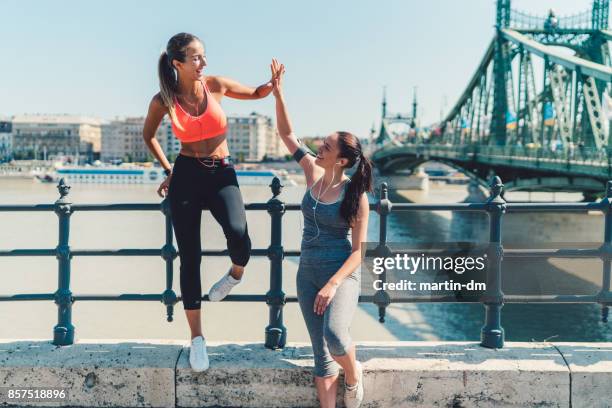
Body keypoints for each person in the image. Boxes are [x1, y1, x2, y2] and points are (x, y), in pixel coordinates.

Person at [142, 32, 277, 372]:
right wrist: (169, 169)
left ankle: (234, 274)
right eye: (197, 58)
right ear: (178, 64)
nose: (204, 63)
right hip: (186, 174)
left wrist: (271, 85)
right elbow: (149, 135)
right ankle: (197, 339)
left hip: (221, 172)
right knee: (190, 257)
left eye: (203, 56)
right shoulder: (164, 100)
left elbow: (255, 93)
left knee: (238, 233)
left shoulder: (215, 85)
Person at [270, 59, 372, 408]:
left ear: (341, 161)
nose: (319, 147)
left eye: (326, 147)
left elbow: (359, 252)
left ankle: (354, 373)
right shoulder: (313, 172)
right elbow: (287, 134)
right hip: (307, 273)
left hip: (340, 274)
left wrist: (332, 285)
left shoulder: (355, 197)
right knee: (321, 356)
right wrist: (279, 94)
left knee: (335, 338)